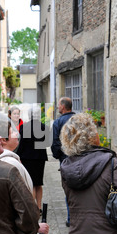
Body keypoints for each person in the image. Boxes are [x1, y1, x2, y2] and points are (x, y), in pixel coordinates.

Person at [0, 120, 49, 234]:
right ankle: (37, 206)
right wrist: (33, 227)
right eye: (12, 132)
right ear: (4, 139)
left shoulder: (3, 160)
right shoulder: (12, 164)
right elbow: (22, 202)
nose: (16, 134)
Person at [16, 105, 51, 212]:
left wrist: (18, 156)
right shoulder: (44, 127)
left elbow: (21, 145)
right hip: (40, 158)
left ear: (29, 115)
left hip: (27, 158)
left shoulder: (24, 127)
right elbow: (48, 143)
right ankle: (39, 207)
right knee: (38, 183)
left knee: (30, 183)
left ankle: (32, 209)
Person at [51, 97, 76, 226]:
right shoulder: (78, 119)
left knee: (68, 189)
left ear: (63, 107)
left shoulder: (58, 122)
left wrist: (57, 155)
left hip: (66, 159)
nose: (57, 107)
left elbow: (55, 143)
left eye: (59, 105)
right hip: (81, 157)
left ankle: (71, 218)